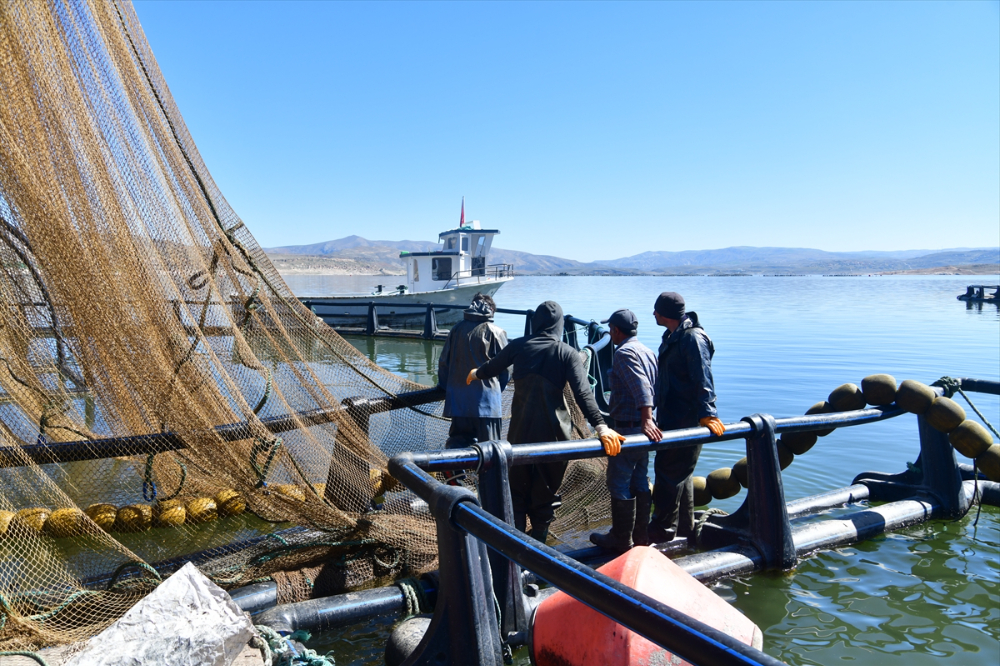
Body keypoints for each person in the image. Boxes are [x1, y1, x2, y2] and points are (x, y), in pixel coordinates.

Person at [467, 300, 625, 543]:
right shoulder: (567, 353)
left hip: (520, 434)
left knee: (516, 492)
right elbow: (583, 394)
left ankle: (516, 548)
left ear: (536, 322)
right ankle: (539, 547)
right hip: (555, 438)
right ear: (559, 325)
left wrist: (476, 373)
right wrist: (601, 427)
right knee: (545, 493)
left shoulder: (518, 346)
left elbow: (493, 367)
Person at [648, 292, 725, 543]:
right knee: (681, 473)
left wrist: (708, 413)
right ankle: (684, 527)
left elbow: (702, 375)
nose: (653, 314)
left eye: (656, 310)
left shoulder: (692, 338)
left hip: (687, 419)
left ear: (664, 313)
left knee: (669, 471)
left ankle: (662, 529)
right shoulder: (673, 335)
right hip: (672, 416)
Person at [589, 309, 661, 552]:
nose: (610, 333)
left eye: (610, 329)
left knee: (618, 482)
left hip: (630, 430)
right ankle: (640, 536)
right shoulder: (648, 351)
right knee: (640, 480)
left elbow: (641, 386)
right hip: (643, 433)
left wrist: (646, 419)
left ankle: (620, 540)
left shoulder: (624, 353)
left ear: (616, 330)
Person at [437, 293, 508, 449]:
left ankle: (456, 473)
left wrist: (445, 388)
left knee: (457, 448)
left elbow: (443, 363)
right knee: (490, 451)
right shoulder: (497, 332)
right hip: (488, 405)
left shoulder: (456, 330)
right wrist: (495, 392)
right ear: (491, 311)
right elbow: (506, 370)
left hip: (458, 402)